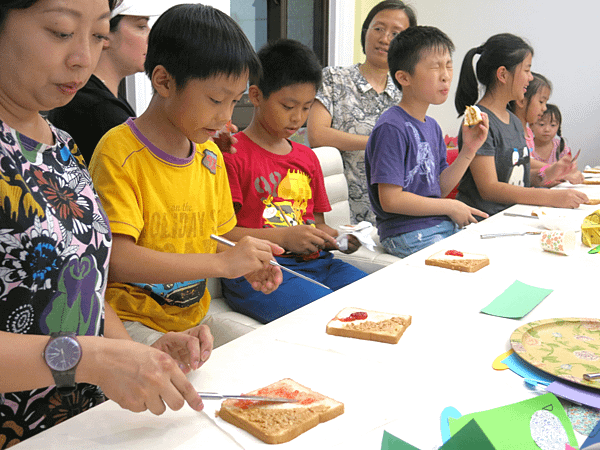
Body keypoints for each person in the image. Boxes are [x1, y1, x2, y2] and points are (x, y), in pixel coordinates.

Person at [0, 0, 237, 447]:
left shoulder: (61, 146)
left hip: (86, 421)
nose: (83, 59)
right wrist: (90, 358)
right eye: (60, 31)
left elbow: (83, 281)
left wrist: (129, 349)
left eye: (98, 37)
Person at [88, 4, 283, 349]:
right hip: (130, 322)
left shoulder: (209, 156)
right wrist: (222, 263)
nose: (225, 116)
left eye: (234, 101)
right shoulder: (119, 153)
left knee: (264, 350)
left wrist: (245, 262)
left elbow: (219, 235)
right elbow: (118, 260)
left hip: (195, 317)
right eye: (215, 99)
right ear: (164, 80)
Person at [221, 39, 367, 324]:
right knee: (328, 316)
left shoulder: (306, 158)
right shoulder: (232, 154)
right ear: (256, 95)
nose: (297, 118)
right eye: (288, 106)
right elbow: (222, 235)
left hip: (319, 266)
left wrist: (339, 239)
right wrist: (285, 237)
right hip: (259, 274)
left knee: (378, 295)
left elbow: (317, 223)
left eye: (306, 107)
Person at [364, 26, 489, 258]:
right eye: (435, 66)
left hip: (437, 226)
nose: (446, 75)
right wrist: (451, 207)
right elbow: (391, 200)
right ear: (404, 77)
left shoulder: (431, 126)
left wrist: (468, 151)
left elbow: (438, 190)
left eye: (448, 65)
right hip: (406, 233)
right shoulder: (392, 126)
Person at [454, 33, 588, 217]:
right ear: (502, 74)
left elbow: (519, 179)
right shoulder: (480, 120)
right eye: (526, 70)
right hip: (484, 222)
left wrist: (550, 172)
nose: (531, 78)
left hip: (513, 216)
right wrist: (550, 197)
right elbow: (489, 189)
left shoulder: (515, 122)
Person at [307, 0, 416, 224]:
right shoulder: (334, 78)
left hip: (393, 215)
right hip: (340, 216)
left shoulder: (405, 94)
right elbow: (317, 135)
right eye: (378, 28)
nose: (385, 38)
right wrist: (378, 141)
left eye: (395, 33)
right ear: (365, 32)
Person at [47, 0, 158, 164]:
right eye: (141, 26)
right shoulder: (98, 109)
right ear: (105, 33)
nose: (151, 37)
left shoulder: (104, 99)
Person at [530, 103, 584, 185]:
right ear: (531, 125)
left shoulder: (561, 148)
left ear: (558, 126)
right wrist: (555, 170)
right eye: (541, 124)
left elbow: (569, 173)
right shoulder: (526, 146)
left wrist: (573, 173)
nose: (547, 129)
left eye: (553, 125)